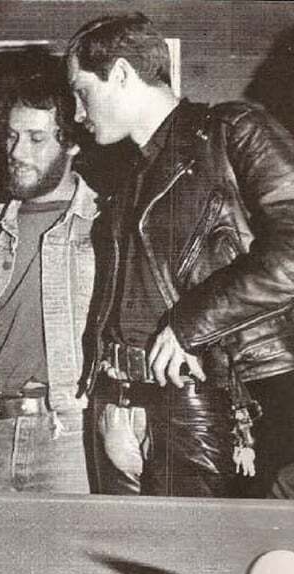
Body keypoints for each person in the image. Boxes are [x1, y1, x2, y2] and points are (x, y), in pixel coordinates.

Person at [66, 13, 294, 498]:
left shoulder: (233, 131)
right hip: (125, 405)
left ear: (122, 74)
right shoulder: (125, 173)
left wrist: (192, 323)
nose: (78, 113)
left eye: (82, 92)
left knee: (204, 542)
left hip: (217, 403)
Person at [0, 71, 97, 493]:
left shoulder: (105, 223)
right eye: (12, 136)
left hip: (68, 435)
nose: (17, 152)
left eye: (36, 139)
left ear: (72, 143)